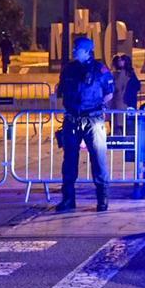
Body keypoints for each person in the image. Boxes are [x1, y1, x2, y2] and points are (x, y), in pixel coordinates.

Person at [54, 36, 115, 213]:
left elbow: (109, 93)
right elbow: (61, 91)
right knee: (69, 161)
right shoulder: (69, 69)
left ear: (87, 51)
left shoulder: (100, 69)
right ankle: (68, 199)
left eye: (77, 48)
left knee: (98, 160)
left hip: (93, 119)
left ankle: (102, 199)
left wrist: (98, 107)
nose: (74, 51)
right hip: (72, 119)